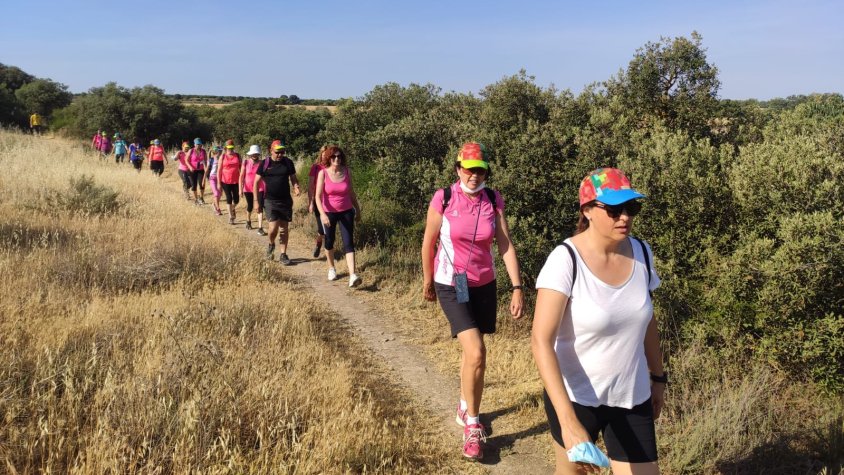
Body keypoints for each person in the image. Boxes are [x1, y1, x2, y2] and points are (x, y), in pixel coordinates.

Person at [531, 168, 664, 474]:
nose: (625, 217)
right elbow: (540, 341)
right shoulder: (565, 259)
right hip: (576, 398)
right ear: (588, 210)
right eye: (615, 209)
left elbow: (647, 321)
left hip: (632, 396)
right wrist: (568, 422)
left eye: (631, 208)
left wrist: (658, 377)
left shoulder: (642, 253)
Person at [420, 142, 524, 461]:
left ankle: (465, 405)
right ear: (458, 169)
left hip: (482, 283)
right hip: (452, 282)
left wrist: (518, 287)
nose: (474, 175)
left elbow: (504, 244)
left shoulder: (493, 199)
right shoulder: (444, 198)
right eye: (468, 168)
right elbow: (429, 241)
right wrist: (427, 281)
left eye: (479, 169)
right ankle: (473, 427)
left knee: (474, 351)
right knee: (477, 351)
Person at [315, 146, 363, 285]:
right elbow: (318, 197)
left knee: (349, 242)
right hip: (329, 212)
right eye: (334, 157)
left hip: (346, 211)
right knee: (329, 241)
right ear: (329, 158)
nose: (337, 159)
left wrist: (358, 210)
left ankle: (353, 275)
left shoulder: (347, 172)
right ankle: (331, 268)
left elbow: (351, 193)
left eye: (339, 156)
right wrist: (323, 214)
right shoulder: (323, 173)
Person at [255, 140, 300, 265]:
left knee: (284, 229)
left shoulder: (288, 162)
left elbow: (293, 178)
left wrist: (296, 186)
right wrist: (256, 201)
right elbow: (256, 182)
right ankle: (271, 244)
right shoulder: (265, 163)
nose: (280, 154)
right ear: (271, 151)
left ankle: (283, 254)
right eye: (277, 152)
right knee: (273, 228)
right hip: (270, 200)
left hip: (285, 200)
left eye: (282, 152)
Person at [240, 144, 266, 235]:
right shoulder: (246, 162)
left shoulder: (262, 163)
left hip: (260, 188)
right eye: (253, 154)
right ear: (250, 154)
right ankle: (248, 221)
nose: (255, 155)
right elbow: (241, 176)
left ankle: (260, 227)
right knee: (250, 206)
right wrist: (240, 189)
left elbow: (265, 177)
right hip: (247, 188)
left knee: (260, 206)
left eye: (256, 154)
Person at [307, 145, 328, 258]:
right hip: (318, 200)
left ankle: (325, 247)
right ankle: (320, 245)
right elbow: (310, 186)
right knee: (321, 228)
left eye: (327, 154)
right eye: (323, 154)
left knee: (328, 227)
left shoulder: (333, 166)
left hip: (330, 201)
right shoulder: (315, 167)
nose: (325, 156)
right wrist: (310, 202)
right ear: (320, 154)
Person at [216, 139, 242, 224]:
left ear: (233, 147)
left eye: (231, 147)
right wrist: (219, 183)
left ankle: (233, 208)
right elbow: (219, 170)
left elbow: (241, 168)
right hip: (225, 181)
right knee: (229, 198)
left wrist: (243, 180)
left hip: (236, 181)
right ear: (225, 147)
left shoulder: (237, 155)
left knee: (237, 200)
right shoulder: (222, 156)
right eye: (228, 147)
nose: (230, 149)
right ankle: (231, 217)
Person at [187, 138, 207, 205]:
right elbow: (186, 160)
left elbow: (205, 161)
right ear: (194, 144)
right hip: (192, 170)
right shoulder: (191, 151)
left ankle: (201, 198)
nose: (199, 145)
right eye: (197, 144)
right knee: (194, 185)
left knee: (202, 184)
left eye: (200, 144)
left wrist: (206, 169)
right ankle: (196, 199)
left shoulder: (203, 151)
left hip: (201, 170)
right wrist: (190, 167)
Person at [205, 145, 223, 215]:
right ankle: (217, 209)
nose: (221, 152)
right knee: (216, 193)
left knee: (220, 194)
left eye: (221, 151)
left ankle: (214, 204)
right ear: (216, 152)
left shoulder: (222, 159)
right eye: (219, 151)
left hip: (220, 178)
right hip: (212, 178)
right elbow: (207, 170)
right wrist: (204, 179)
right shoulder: (211, 159)